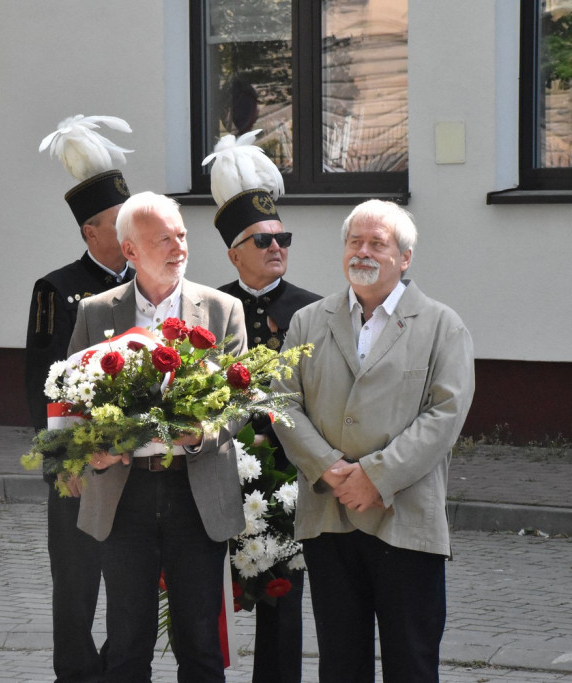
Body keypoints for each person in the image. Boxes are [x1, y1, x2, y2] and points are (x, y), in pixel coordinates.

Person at [272, 200, 476, 682]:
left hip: (404, 519)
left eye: (377, 244)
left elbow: (445, 415)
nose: (362, 252)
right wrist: (327, 467)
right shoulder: (308, 321)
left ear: (404, 258)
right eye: (354, 242)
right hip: (329, 516)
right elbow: (281, 402)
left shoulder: (442, 326)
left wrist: (375, 476)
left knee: (411, 662)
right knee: (340, 664)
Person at [69, 191, 248, 682]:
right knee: (127, 643)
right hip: (124, 494)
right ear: (130, 251)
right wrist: (92, 452)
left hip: (196, 493)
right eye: (163, 238)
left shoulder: (222, 309)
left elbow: (240, 403)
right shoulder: (95, 313)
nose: (178, 247)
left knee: (200, 645)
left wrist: (198, 435)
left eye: (182, 235)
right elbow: (69, 402)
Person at [205, 132, 320, 683]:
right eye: (261, 241)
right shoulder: (209, 308)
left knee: (282, 601)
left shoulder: (314, 310)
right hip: (219, 471)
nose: (277, 248)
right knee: (206, 601)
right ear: (234, 253)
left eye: (283, 238)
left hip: (285, 477)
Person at [27, 115, 135, 682]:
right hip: (77, 464)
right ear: (91, 231)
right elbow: (41, 382)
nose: (133, 233)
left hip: (132, 461)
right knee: (76, 585)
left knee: (129, 581)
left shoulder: (149, 288)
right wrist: (62, 461)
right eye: (121, 224)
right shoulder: (58, 288)